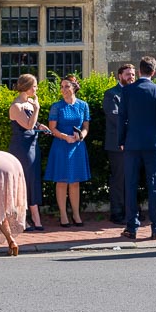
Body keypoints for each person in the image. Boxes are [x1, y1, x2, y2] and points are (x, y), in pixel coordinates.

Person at [117, 56, 156, 240]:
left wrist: (121, 140)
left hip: (131, 143)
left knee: (130, 185)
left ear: (139, 71)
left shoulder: (128, 91)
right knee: (154, 185)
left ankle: (131, 227)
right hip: (153, 144)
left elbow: (121, 117)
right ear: (153, 72)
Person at [45, 74, 91, 226]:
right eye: (62, 86)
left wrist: (81, 136)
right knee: (61, 182)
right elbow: (52, 128)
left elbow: (85, 127)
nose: (63, 89)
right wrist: (65, 137)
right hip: (61, 146)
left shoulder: (83, 105)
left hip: (77, 147)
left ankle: (76, 215)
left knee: (75, 182)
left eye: (66, 86)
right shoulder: (56, 106)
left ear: (74, 88)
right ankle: (63, 215)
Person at [6, 74, 46, 231]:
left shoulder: (29, 103)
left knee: (34, 178)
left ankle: (36, 216)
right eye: (35, 86)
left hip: (33, 144)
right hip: (21, 148)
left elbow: (33, 124)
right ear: (28, 87)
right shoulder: (16, 106)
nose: (36, 89)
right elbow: (28, 125)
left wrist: (40, 125)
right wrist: (37, 108)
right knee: (24, 180)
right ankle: (22, 219)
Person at [103, 74, 129, 224]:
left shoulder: (134, 92)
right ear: (120, 76)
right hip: (116, 143)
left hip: (133, 143)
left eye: (133, 74)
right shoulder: (111, 94)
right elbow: (114, 116)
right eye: (127, 74)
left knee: (131, 178)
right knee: (119, 178)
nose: (131, 77)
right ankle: (117, 213)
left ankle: (130, 211)